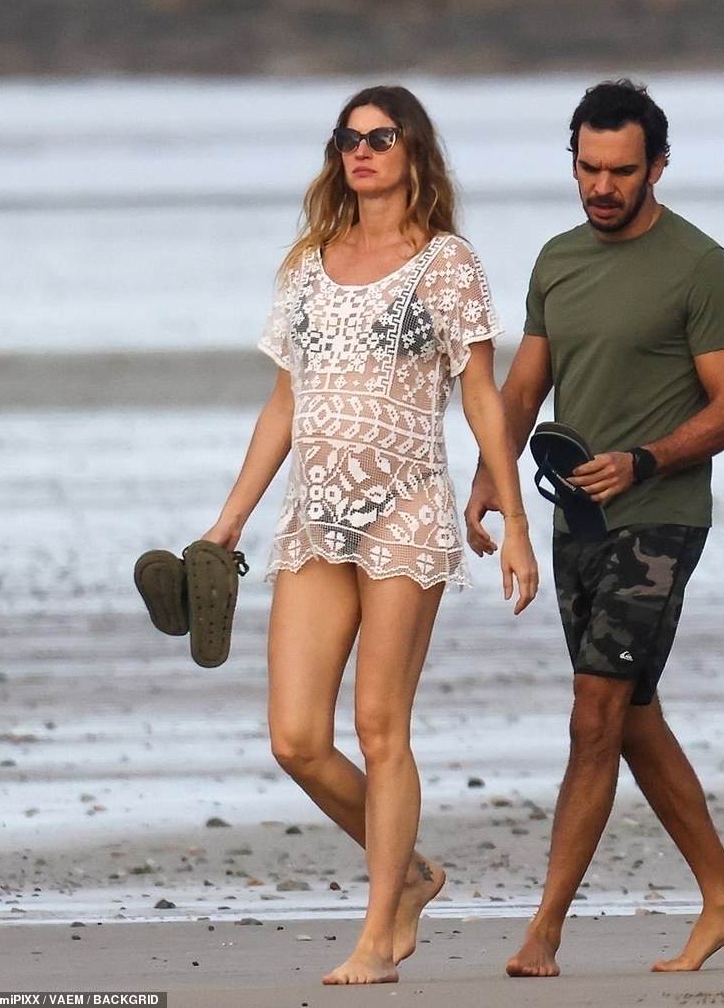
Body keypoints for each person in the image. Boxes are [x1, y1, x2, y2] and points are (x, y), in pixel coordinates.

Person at [200, 84, 538, 986]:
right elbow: (285, 401)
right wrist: (230, 519)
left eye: (380, 138)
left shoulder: (448, 264)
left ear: (413, 152)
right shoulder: (309, 262)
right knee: (295, 740)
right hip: (314, 519)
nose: (361, 151)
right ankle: (416, 873)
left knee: (382, 727)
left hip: (406, 513)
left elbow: (479, 397)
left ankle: (376, 933)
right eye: (347, 139)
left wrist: (513, 521)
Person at [465, 78, 724, 977]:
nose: (602, 185)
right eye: (588, 168)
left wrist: (645, 459)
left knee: (594, 711)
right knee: (628, 714)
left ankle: (544, 931)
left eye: (621, 170)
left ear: (657, 167)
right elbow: (523, 389)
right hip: (579, 520)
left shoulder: (701, 266)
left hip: (660, 518)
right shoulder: (557, 260)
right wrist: (488, 473)